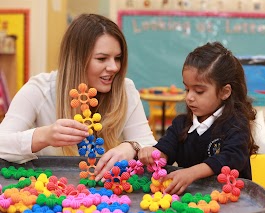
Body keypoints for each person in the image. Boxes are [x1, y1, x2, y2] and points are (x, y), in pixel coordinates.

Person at [0, 13, 157, 180]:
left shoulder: (125, 89)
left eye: (118, 58)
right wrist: (43, 136)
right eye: (102, 58)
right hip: (52, 192)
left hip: (107, 194)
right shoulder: (39, 89)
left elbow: (152, 148)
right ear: (76, 59)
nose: (114, 67)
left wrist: (131, 147)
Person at [138, 42, 259, 195]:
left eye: (199, 91)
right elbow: (166, 149)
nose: (189, 97)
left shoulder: (236, 124)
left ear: (225, 92)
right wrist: (153, 154)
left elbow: (232, 158)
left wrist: (192, 173)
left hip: (232, 200)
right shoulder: (181, 124)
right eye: (187, 89)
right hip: (193, 200)